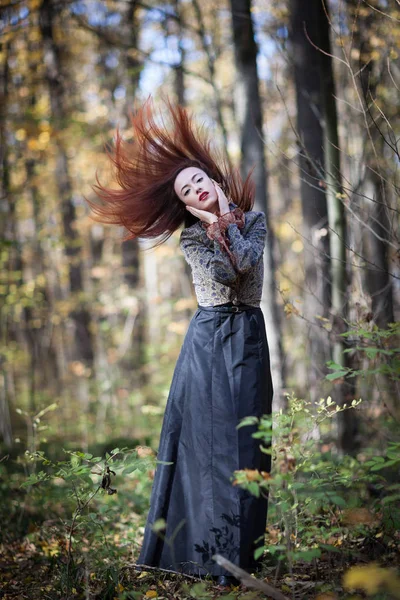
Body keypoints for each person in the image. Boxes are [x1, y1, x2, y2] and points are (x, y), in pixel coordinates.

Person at [86, 96, 274, 588]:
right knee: (206, 446)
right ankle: (203, 559)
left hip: (248, 337)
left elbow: (247, 266)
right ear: (188, 202)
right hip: (209, 340)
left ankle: (242, 560)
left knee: (249, 443)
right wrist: (213, 232)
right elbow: (223, 276)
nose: (195, 188)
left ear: (212, 182)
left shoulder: (253, 221)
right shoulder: (193, 239)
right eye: (186, 189)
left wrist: (227, 227)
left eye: (198, 180)